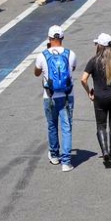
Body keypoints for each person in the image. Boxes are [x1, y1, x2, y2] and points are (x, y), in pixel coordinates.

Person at [80, 33, 111, 168]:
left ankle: (105, 151)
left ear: (99, 46)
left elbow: (83, 79)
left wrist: (89, 91)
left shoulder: (93, 61)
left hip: (100, 97)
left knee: (101, 125)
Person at [34, 25, 77, 172]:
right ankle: (66, 161)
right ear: (62, 38)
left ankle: (54, 154)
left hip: (49, 95)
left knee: (52, 125)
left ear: (49, 38)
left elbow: (36, 73)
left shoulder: (42, 55)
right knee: (66, 127)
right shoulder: (70, 54)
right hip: (66, 96)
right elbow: (73, 69)